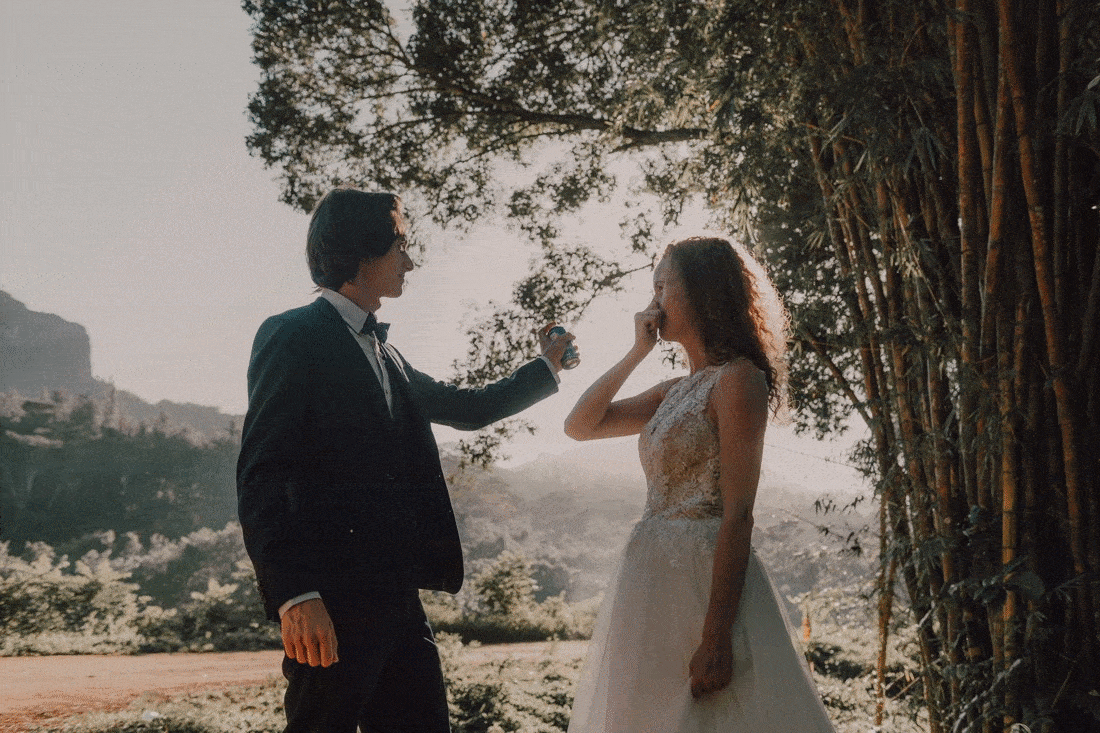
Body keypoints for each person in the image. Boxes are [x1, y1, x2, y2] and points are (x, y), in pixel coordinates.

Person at [236, 188, 577, 733]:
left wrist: (545, 367)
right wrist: (294, 594)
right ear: (362, 251)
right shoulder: (291, 335)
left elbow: (469, 408)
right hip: (331, 601)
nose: (411, 261)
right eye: (401, 246)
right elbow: (263, 474)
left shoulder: (387, 354)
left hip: (400, 600)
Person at [563, 237, 835, 732]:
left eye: (663, 286)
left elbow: (738, 514)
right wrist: (636, 351)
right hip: (649, 581)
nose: (653, 303)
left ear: (704, 293)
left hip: (705, 581)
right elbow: (581, 425)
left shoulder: (738, 381)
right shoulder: (673, 390)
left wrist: (715, 636)